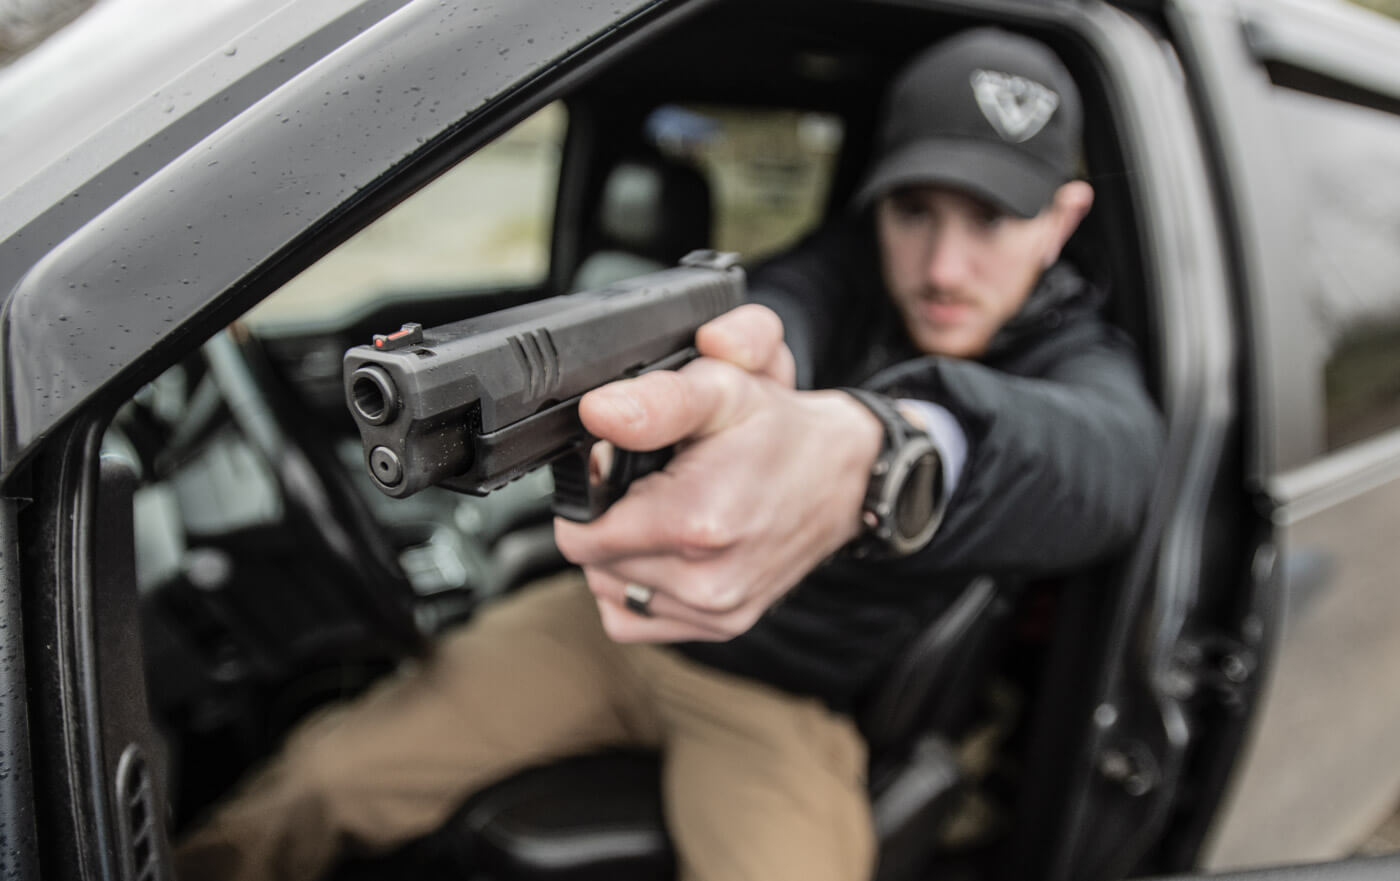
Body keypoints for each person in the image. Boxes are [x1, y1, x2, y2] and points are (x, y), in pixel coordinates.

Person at [174, 27, 1162, 881]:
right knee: (311, 784)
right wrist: (731, 371)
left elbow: (1105, 464)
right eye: (916, 212)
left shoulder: (1076, 360)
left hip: (779, 696)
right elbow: (773, 312)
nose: (945, 265)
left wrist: (879, 447)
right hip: (604, 620)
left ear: (1061, 219)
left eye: (991, 219)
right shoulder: (843, 272)